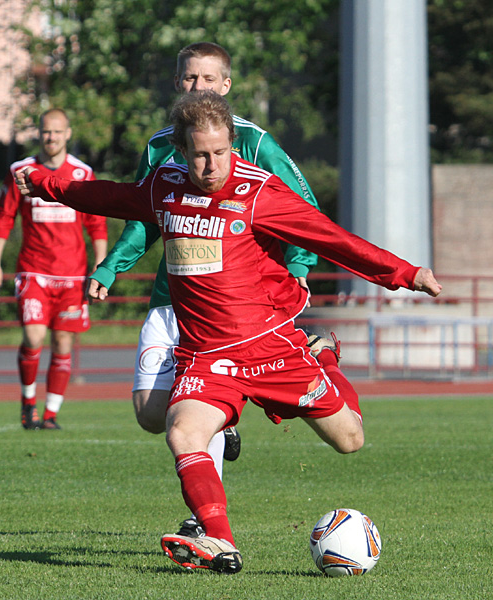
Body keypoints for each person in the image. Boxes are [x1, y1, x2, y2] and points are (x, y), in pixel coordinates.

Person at [15, 90, 443, 573]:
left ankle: (322, 356)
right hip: (205, 356)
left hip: (270, 349)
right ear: (180, 149)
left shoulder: (259, 192)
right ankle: (220, 541)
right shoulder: (165, 186)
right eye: (200, 154)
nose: (212, 164)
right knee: (181, 432)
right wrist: (47, 184)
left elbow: (334, 239)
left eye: (221, 152)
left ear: (232, 145)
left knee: (350, 440)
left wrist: (406, 274)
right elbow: (110, 197)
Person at [87, 42, 321, 512]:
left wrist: (296, 272)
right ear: (177, 85)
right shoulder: (159, 146)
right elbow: (144, 216)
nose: (199, 87)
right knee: (151, 415)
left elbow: (304, 211)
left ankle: (204, 523)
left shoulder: (256, 144)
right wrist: (110, 267)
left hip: (239, 304)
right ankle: (225, 414)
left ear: (226, 86)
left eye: (208, 79)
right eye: (190, 79)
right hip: (172, 294)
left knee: (194, 410)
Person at [0, 108, 108, 430]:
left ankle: (51, 413)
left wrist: (102, 266)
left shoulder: (82, 174)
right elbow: (4, 217)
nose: (51, 137)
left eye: (57, 132)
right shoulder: (22, 171)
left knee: (63, 344)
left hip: (73, 276)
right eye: (45, 132)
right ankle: (29, 403)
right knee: (33, 335)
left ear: (68, 133)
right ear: (38, 134)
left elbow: (97, 225)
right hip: (34, 272)